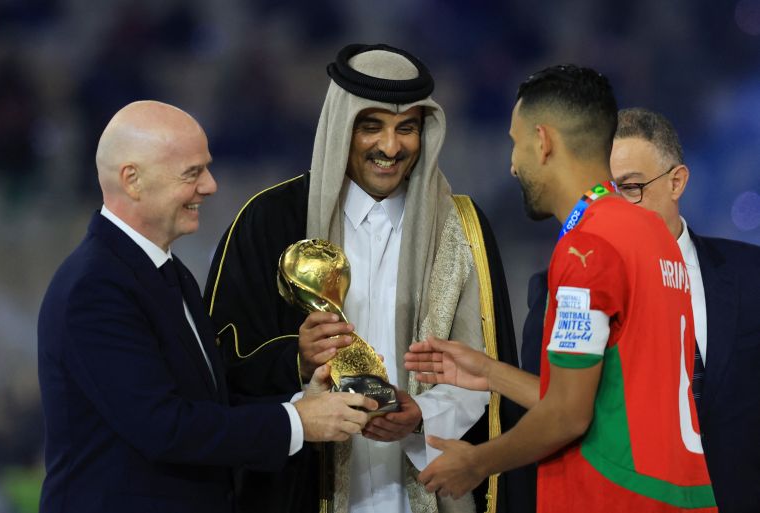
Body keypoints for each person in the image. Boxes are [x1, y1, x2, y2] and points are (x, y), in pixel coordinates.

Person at [204, 44, 532, 513]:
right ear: (342, 126)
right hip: (303, 490)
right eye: (371, 126)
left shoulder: (460, 228)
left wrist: (422, 414)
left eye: (407, 128)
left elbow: (485, 370)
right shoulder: (270, 220)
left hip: (424, 490)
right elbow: (220, 363)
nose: (390, 147)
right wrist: (298, 361)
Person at [37, 100, 376, 513]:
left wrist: (301, 396)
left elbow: (207, 406)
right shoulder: (95, 287)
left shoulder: (167, 272)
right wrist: (297, 423)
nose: (211, 186)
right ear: (132, 180)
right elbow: (163, 427)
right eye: (192, 173)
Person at [405, 65, 717, 512]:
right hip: (677, 495)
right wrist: (490, 373)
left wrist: (477, 462)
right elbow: (607, 398)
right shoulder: (652, 234)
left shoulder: (588, 247)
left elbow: (569, 415)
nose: (513, 164)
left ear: (543, 141)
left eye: (515, 143)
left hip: (612, 499)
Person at [608, 107, 760, 513]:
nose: (618, 205)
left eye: (632, 187)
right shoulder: (568, 290)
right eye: (607, 192)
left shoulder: (752, 275)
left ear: (677, 182)